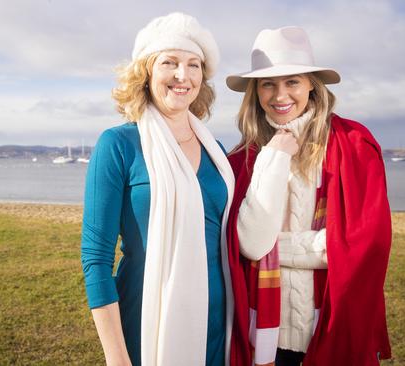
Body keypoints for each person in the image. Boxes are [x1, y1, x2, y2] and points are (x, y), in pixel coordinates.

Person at [225, 27, 392, 366]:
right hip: (265, 338)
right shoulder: (243, 158)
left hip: (331, 326)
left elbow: (364, 245)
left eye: (293, 82)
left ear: (313, 86)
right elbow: (252, 245)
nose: (279, 95)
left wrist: (277, 246)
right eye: (268, 83)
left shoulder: (354, 145)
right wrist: (275, 156)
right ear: (255, 92)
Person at [80, 12, 235, 366]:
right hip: (147, 318)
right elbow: (95, 258)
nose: (183, 76)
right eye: (170, 62)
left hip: (216, 321)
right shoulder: (119, 144)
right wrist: (117, 357)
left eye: (194, 65)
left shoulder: (217, 151)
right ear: (146, 72)